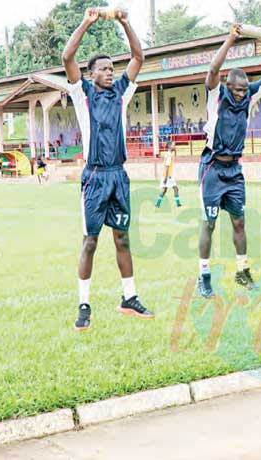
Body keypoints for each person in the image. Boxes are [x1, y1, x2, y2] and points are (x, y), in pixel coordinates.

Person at [61, 7, 152, 331]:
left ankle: (129, 297)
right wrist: (86, 21)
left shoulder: (121, 94)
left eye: (112, 68)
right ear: (91, 73)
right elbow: (67, 56)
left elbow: (138, 56)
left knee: (123, 239)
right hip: (95, 176)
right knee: (90, 242)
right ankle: (83, 304)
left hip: (118, 175)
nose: (110, 72)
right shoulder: (82, 92)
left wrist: (126, 23)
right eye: (103, 68)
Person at [195, 25, 261, 298]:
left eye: (245, 89)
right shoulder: (217, 95)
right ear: (228, 86)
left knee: (239, 222)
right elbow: (212, 71)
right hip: (212, 166)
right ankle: (203, 275)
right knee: (209, 223)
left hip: (234, 169)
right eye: (238, 90)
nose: (242, 93)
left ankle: (242, 272)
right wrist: (231, 39)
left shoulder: (249, 96)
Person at [155, 142, 181, 208]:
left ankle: (178, 204)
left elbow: (174, 155)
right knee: (165, 190)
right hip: (167, 176)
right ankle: (157, 204)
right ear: (169, 147)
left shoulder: (169, 154)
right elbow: (167, 166)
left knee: (174, 189)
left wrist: (175, 150)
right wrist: (166, 178)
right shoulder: (169, 156)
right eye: (173, 145)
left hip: (169, 175)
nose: (175, 146)